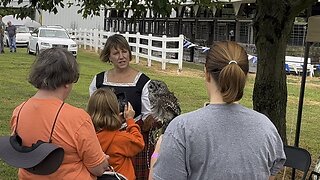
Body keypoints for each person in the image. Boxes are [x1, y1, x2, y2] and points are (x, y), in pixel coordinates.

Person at [152, 41, 286, 180]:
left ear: (206, 73)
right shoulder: (266, 127)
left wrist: (156, 154)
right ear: (245, 76)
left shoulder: (181, 129)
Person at [10, 48, 109, 179]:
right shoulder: (77, 118)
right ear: (67, 81)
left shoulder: (19, 111)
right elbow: (98, 168)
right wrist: (104, 160)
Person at [89, 34, 154, 180]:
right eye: (116, 53)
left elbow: (146, 116)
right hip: (103, 142)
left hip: (131, 140)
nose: (121, 56)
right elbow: (93, 112)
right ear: (109, 56)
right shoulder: (99, 80)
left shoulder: (143, 81)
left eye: (124, 51)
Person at [87, 88, 145, 180]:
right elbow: (139, 143)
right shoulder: (120, 139)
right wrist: (130, 120)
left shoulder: (87, 137)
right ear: (115, 111)